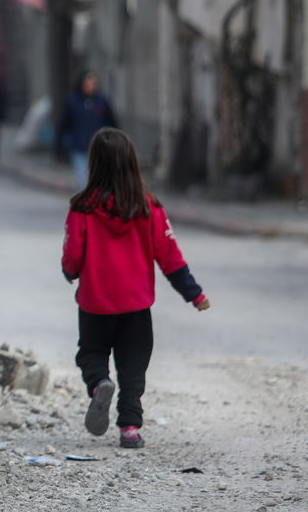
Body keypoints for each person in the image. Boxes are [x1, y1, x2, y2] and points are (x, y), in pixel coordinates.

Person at [60, 128, 210, 449]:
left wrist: (69, 271)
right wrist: (194, 294)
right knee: (132, 366)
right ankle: (129, 428)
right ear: (132, 162)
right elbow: (170, 257)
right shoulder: (148, 208)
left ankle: (99, 384)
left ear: (94, 164)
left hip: (95, 302)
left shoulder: (82, 208)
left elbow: (73, 252)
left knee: (92, 353)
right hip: (136, 306)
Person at [60, 70, 118, 187]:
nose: (90, 86)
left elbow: (111, 122)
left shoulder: (102, 101)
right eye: (87, 83)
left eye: (93, 83)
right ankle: (86, 204)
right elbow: (65, 123)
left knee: (99, 180)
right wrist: (66, 141)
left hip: (100, 147)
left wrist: (113, 140)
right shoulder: (73, 101)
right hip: (79, 146)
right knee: (83, 182)